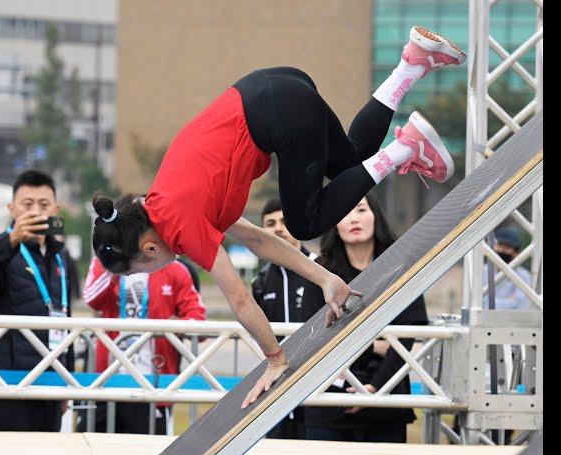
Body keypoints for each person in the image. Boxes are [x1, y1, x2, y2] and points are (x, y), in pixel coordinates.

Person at [91, 26, 465, 408]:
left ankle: (405, 148)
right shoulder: (165, 199)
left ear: (148, 247)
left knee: (305, 222)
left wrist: (275, 360)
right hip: (277, 86)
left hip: (278, 114)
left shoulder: (181, 227)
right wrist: (324, 277)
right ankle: (411, 64)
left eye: (139, 269)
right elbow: (259, 239)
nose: (148, 272)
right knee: (349, 166)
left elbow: (238, 300)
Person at [302, 194, 428, 443]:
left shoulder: (401, 267)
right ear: (334, 225)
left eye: (360, 210)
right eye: (344, 213)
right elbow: (314, 335)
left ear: (375, 217)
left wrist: (375, 386)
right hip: (329, 400)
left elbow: (409, 331)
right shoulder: (321, 273)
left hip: (386, 398)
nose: (353, 219)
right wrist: (373, 345)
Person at [0, 170, 75, 431]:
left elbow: (65, 319)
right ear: (12, 209)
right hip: (7, 387)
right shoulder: (0, 252)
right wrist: (10, 240)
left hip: (50, 386)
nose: (35, 211)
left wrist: (66, 380)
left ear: (56, 209)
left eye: (44, 205)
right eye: (27, 204)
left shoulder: (61, 257)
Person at [81, 253, 206, 433]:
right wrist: (116, 265)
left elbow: (198, 323)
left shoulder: (176, 269)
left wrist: (177, 324)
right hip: (107, 382)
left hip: (152, 386)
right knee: (93, 453)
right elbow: (92, 299)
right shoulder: (105, 261)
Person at [251, 198, 317, 438]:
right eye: (270, 223)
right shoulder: (260, 282)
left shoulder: (322, 270)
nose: (278, 227)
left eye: (284, 221)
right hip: (275, 391)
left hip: (315, 390)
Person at [484, 226, 533, 310]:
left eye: (507, 247)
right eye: (500, 245)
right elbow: (482, 305)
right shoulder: (482, 271)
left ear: (516, 253)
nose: (502, 250)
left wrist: (493, 304)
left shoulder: (523, 276)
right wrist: (511, 301)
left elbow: (522, 306)